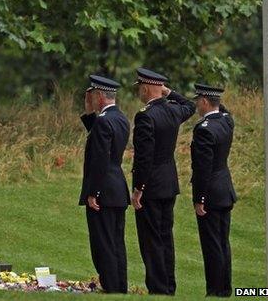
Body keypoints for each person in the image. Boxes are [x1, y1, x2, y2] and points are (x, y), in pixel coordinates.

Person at [131, 67, 195, 295]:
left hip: (151, 187)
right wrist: (168, 92)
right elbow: (191, 105)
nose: (139, 91)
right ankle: (168, 286)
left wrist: (139, 188)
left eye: (140, 86)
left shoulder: (146, 116)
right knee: (166, 237)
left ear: (146, 88)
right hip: (168, 183)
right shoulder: (172, 111)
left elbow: (144, 157)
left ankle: (158, 288)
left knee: (151, 241)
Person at [79, 75, 130, 293]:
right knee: (116, 242)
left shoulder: (103, 121)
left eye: (93, 96)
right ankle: (119, 286)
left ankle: (110, 286)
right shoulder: (120, 118)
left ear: (99, 96)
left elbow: (100, 158)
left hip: (104, 190)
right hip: (117, 188)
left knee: (103, 244)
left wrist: (93, 192)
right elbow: (99, 134)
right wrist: (89, 113)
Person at [190, 83, 236, 297]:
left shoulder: (204, 130)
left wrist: (199, 198)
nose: (197, 104)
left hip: (210, 193)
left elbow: (202, 168)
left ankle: (215, 290)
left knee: (212, 245)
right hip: (224, 189)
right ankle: (225, 288)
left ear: (205, 102)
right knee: (223, 242)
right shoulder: (226, 122)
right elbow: (223, 110)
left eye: (198, 100)